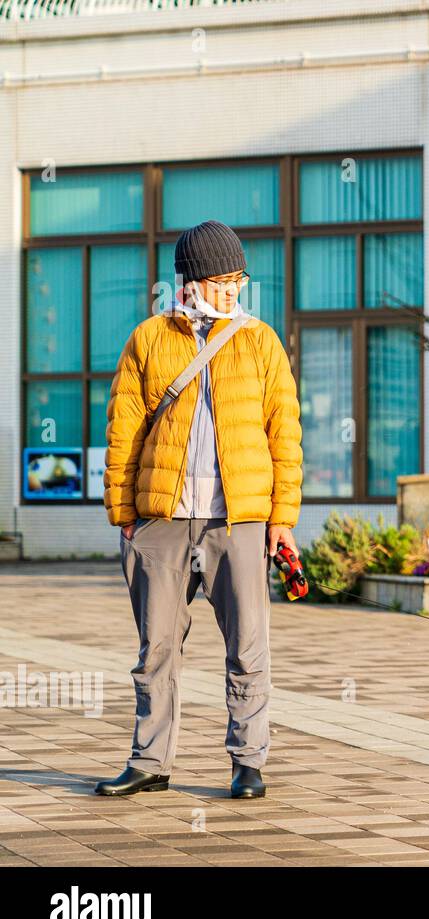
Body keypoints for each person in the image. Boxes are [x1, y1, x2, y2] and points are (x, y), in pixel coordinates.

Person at [95, 220, 303, 799]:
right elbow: (124, 432)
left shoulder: (260, 341)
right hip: (160, 520)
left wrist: (280, 519)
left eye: (238, 278)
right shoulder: (149, 339)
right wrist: (125, 517)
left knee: (248, 644)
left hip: (237, 519)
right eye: (220, 280)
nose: (232, 289)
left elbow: (285, 435)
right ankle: (150, 760)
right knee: (156, 646)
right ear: (188, 282)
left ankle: (248, 762)